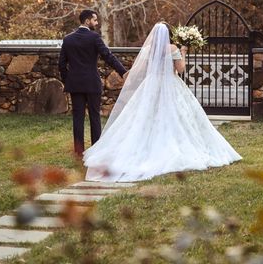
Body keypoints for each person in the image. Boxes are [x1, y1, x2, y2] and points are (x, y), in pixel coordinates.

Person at [83, 22, 241, 182]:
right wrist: (184, 53)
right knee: (176, 116)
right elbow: (180, 70)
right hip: (171, 83)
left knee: (145, 116)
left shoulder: (148, 50)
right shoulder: (173, 49)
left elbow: (142, 69)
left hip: (151, 85)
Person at [59, 10, 128, 157]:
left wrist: (69, 79)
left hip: (75, 84)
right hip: (91, 83)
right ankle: (96, 149)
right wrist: (123, 72)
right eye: (95, 20)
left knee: (77, 117)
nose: (96, 23)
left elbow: (61, 64)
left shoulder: (68, 39)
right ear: (87, 21)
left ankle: (79, 151)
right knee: (94, 116)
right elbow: (108, 56)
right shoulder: (94, 37)